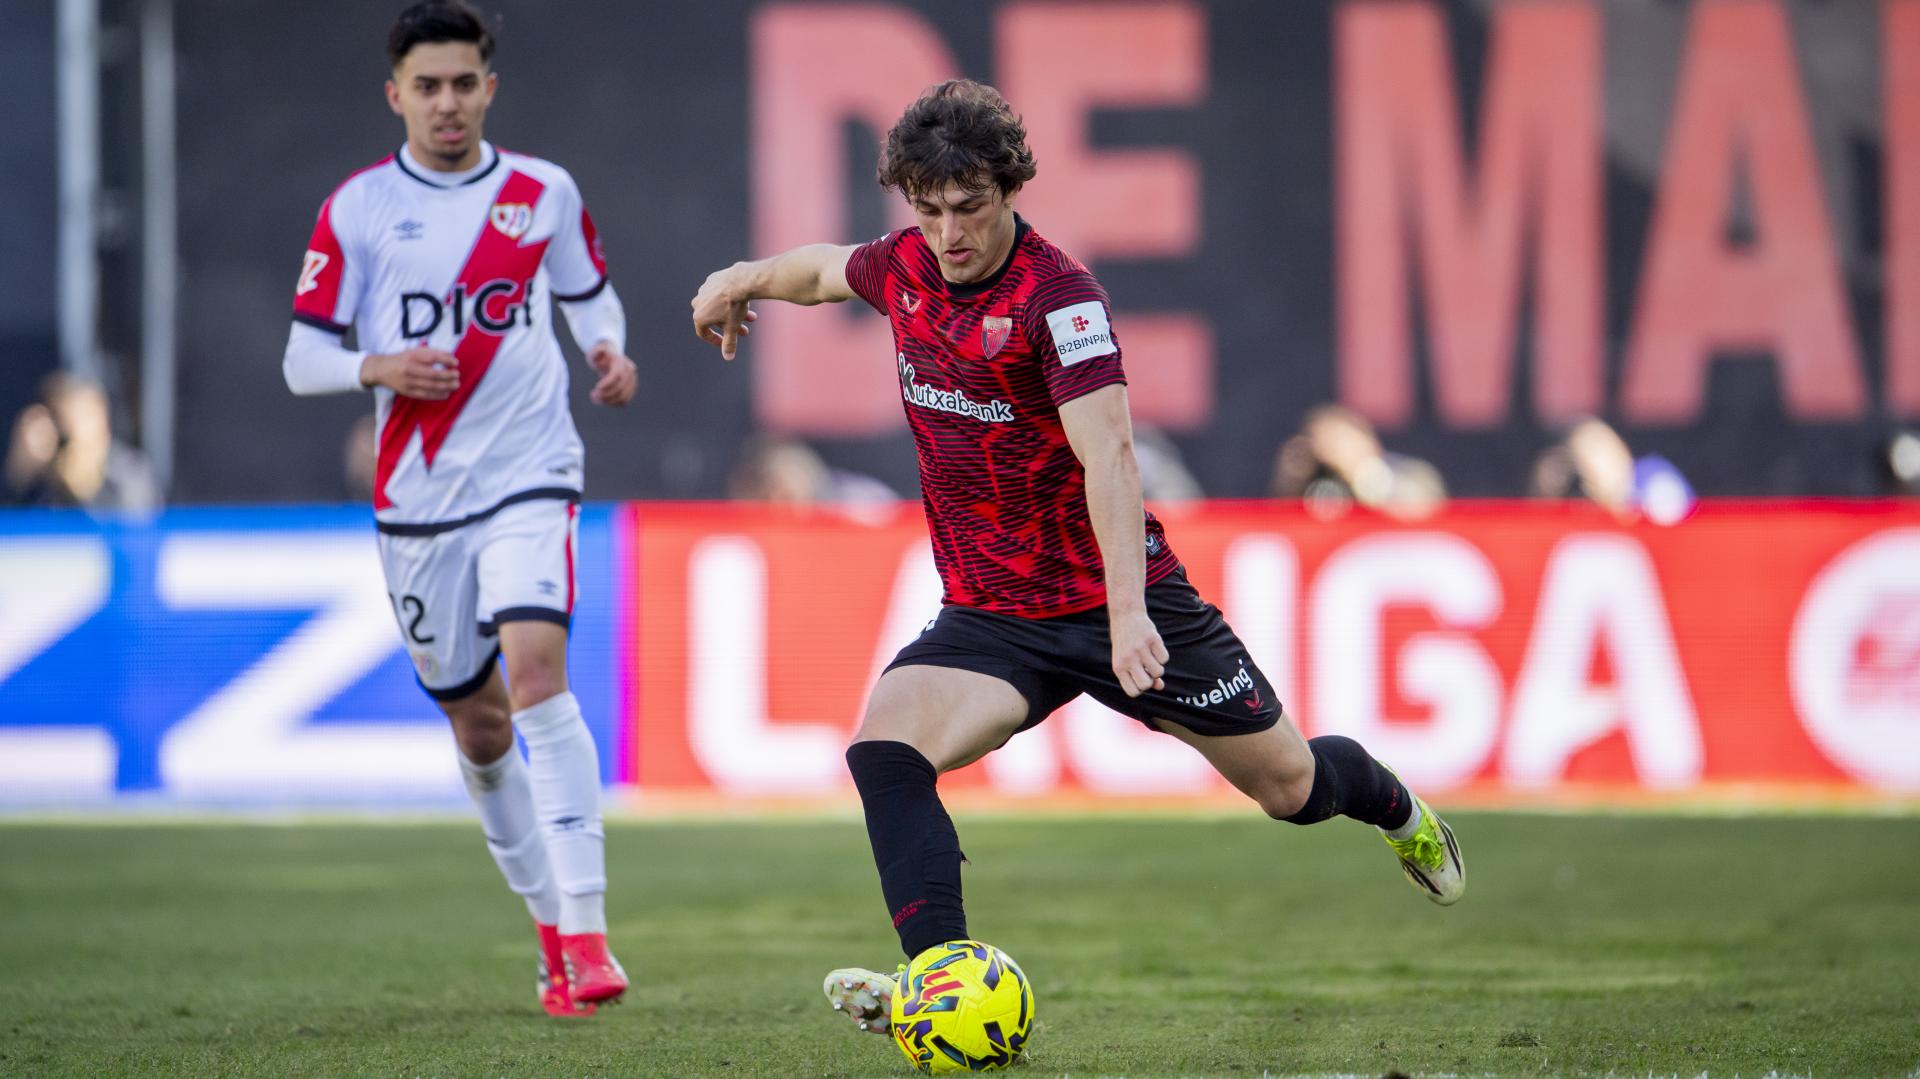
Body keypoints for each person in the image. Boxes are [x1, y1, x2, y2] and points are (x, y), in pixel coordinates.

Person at [689, 78, 1464, 1044]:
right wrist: (741, 277)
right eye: (928, 211)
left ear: (1011, 188)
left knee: (1291, 788)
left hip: (1116, 602)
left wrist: (1129, 611)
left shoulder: (1060, 302)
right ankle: (938, 978)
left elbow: (1113, 458)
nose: (948, 233)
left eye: (969, 207)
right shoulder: (905, 264)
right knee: (885, 750)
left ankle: (1398, 809)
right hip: (992, 614)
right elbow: (820, 272)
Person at [280, 0, 635, 1017]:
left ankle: (589, 933)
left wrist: (606, 348)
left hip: (530, 469)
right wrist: (378, 365)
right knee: (480, 727)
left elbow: (588, 294)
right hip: (419, 497)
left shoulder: (541, 192)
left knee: (537, 672)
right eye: (427, 86)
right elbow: (301, 356)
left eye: (463, 83)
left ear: (490, 88)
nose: (447, 102)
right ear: (395, 94)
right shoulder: (357, 208)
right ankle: (549, 928)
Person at [4, 372, 160, 513]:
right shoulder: (41, 479)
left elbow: (136, 527)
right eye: (59, 422)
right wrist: (19, 474)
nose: (65, 435)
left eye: (82, 419)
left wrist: (80, 488)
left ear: (102, 425)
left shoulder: (128, 474)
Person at [1269, 403, 1444, 521]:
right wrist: (1291, 482)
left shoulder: (1411, 474)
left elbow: (1425, 513)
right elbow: (1284, 528)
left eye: (1338, 442)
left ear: (1367, 441)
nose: (1330, 453)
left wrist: (1360, 472)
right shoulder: (1315, 484)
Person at [1531, 416, 1693, 525]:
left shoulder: (1653, 475)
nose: (1598, 459)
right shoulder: (1586, 506)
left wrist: (1619, 502)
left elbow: (1673, 525)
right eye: (1586, 453)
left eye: (1600, 445)